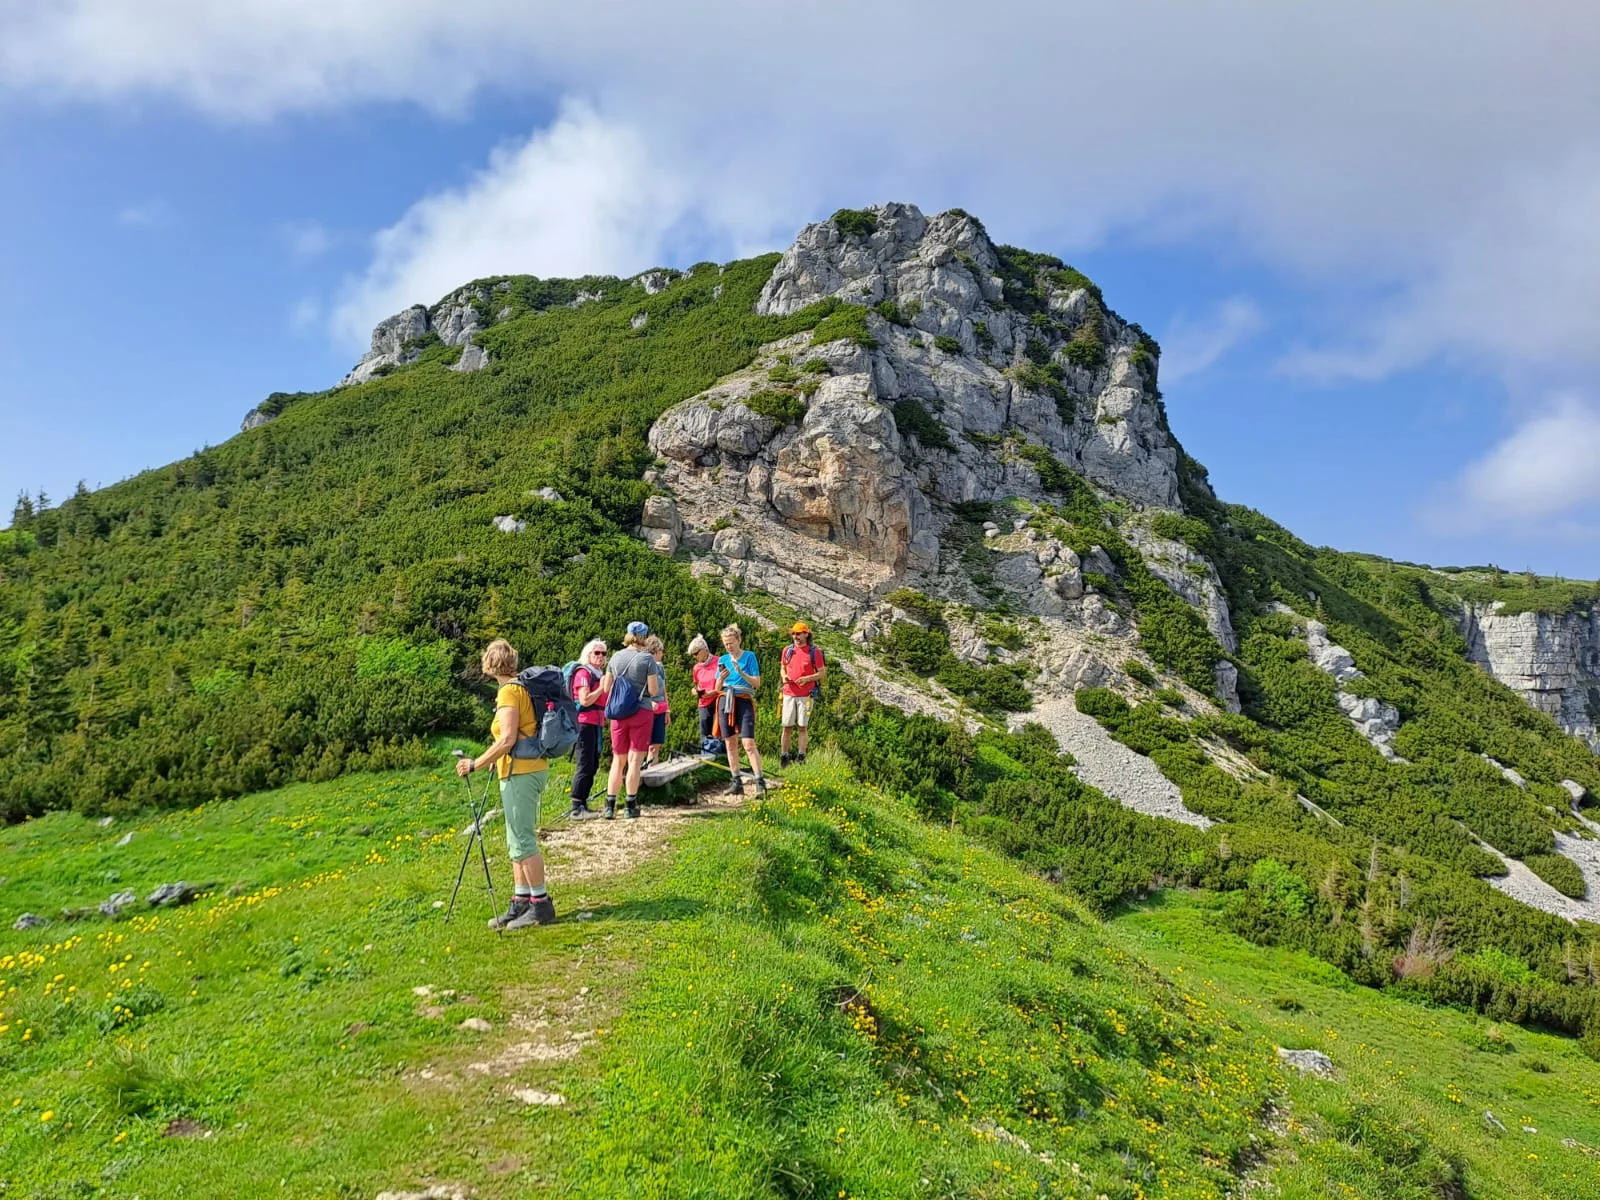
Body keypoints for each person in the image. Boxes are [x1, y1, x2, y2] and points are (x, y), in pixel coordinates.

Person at [455, 638, 554, 930]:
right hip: (521, 769)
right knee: (515, 839)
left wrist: (476, 763)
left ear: (490, 664)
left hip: (521, 771)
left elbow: (507, 739)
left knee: (522, 839)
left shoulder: (509, 692)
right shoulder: (516, 688)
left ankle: (541, 904)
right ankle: (521, 900)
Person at [601, 621, 662, 820]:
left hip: (618, 714)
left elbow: (606, 688)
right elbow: (653, 691)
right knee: (635, 760)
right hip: (641, 712)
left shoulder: (616, 657)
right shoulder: (647, 659)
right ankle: (630, 805)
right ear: (644, 637)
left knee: (618, 760)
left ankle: (609, 806)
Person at [716, 623, 765, 796]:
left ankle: (760, 781)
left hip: (743, 699)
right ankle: (736, 781)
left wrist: (741, 673)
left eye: (731, 643)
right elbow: (717, 687)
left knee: (748, 743)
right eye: (726, 643)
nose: (729, 646)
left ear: (739, 640)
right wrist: (721, 679)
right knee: (730, 742)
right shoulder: (722, 660)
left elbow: (757, 683)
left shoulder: (749, 657)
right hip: (726, 698)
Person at [567, 638, 610, 819]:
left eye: (603, 653)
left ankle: (582, 803)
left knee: (592, 763)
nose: (600, 656)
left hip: (595, 722)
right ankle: (576, 807)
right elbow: (585, 700)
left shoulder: (598, 674)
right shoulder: (584, 674)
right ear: (588, 654)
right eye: (596, 653)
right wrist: (601, 688)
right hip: (584, 722)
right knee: (585, 763)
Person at [779, 621, 826, 768]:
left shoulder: (815, 651)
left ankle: (801, 756)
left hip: (806, 694)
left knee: (802, 726)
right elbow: (783, 667)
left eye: (798, 633)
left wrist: (807, 679)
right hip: (788, 692)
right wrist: (784, 677)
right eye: (793, 633)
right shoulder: (787, 650)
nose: (795, 636)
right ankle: (784, 756)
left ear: (806, 634)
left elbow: (822, 673)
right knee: (786, 726)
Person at [688, 634, 721, 757]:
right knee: (704, 733)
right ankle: (706, 758)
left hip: (717, 700)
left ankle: (720, 758)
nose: (695, 657)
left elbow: (724, 682)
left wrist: (713, 692)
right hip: (703, 703)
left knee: (718, 731)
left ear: (705, 650)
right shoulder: (696, 668)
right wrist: (695, 691)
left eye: (696, 653)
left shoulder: (719, 662)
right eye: (693, 655)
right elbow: (696, 685)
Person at [644, 634, 670, 766]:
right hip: (647, 708)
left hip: (661, 708)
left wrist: (667, 710)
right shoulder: (644, 666)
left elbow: (664, 689)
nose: (662, 653)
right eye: (661, 651)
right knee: (644, 744)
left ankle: (652, 769)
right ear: (655, 651)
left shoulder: (660, 667)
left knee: (656, 744)